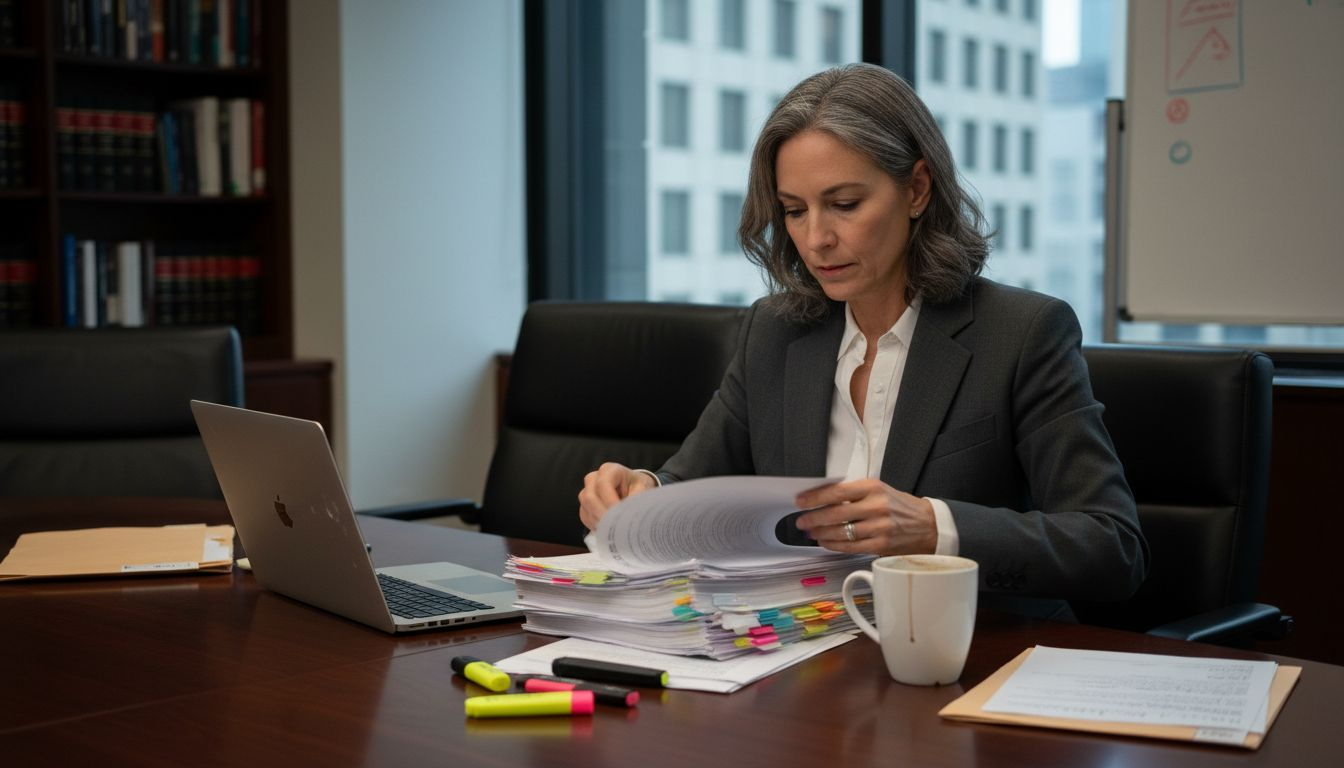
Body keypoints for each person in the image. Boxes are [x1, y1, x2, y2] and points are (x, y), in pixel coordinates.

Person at [578, 63, 1147, 614]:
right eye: (794, 211)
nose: (816, 238)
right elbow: (690, 482)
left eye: (845, 205)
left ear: (917, 189)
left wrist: (933, 526)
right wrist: (642, 491)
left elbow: (1112, 547)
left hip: (972, 655)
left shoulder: (1021, 333)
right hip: (803, 654)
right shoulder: (774, 332)